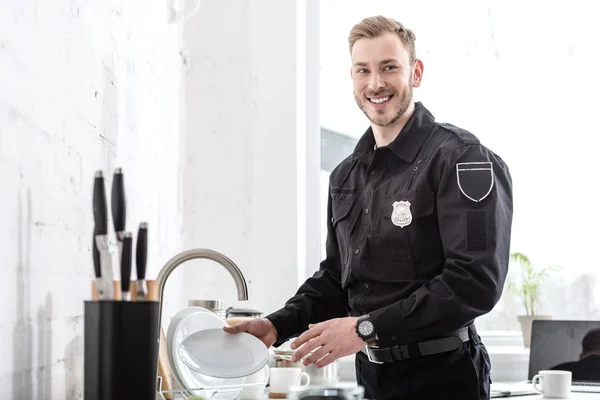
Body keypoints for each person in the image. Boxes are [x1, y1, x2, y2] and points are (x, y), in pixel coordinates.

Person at [224, 15, 513, 400]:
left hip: (445, 379)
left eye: (389, 67)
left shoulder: (462, 159)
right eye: (363, 70)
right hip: (372, 381)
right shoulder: (345, 175)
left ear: (416, 73)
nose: (375, 83)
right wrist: (277, 325)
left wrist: (364, 329)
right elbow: (336, 278)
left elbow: (475, 283)